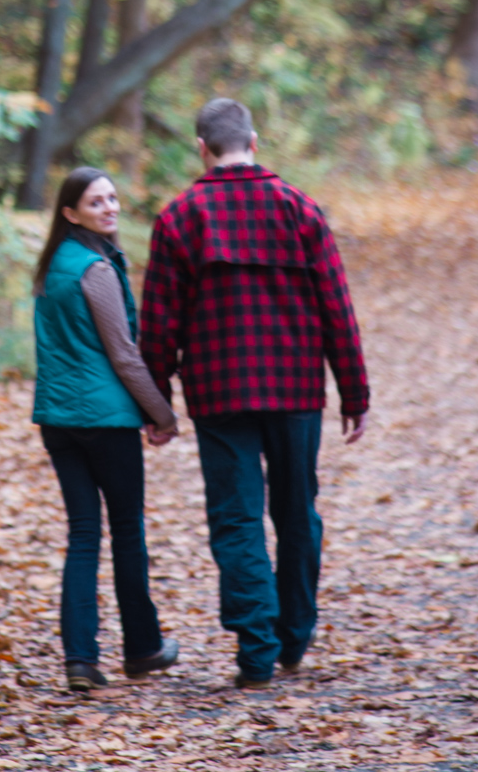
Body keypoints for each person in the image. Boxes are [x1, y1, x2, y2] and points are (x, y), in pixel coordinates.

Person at [139, 97, 369, 689]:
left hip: (219, 393)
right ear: (254, 140)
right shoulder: (299, 210)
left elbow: (159, 320)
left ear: (202, 147)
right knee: (297, 512)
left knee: (236, 519)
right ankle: (295, 637)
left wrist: (156, 403)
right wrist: (354, 392)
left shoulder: (179, 218)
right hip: (294, 388)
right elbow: (336, 308)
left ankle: (257, 648)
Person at [33, 165, 180, 694]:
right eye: (96, 203)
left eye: (113, 198)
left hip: (57, 419)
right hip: (103, 421)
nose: (110, 208)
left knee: (82, 535)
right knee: (126, 531)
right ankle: (141, 649)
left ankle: (80, 658)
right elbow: (123, 354)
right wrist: (162, 414)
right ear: (71, 213)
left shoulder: (53, 266)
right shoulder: (95, 269)